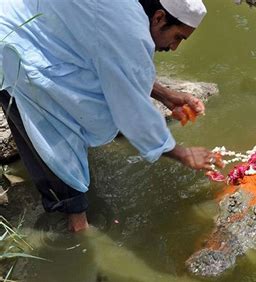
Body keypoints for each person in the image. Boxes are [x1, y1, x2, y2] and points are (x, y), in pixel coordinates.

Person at [0, 0, 223, 232]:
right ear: (158, 18)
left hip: (19, 27)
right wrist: (182, 154)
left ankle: (65, 200)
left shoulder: (123, 10)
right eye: (178, 37)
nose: (174, 47)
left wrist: (166, 95)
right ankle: (78, 229)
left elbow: (114, 62)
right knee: (58, 131)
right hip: (19, 46)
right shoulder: (130, 28)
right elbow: (133, 114)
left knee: (31, 118)